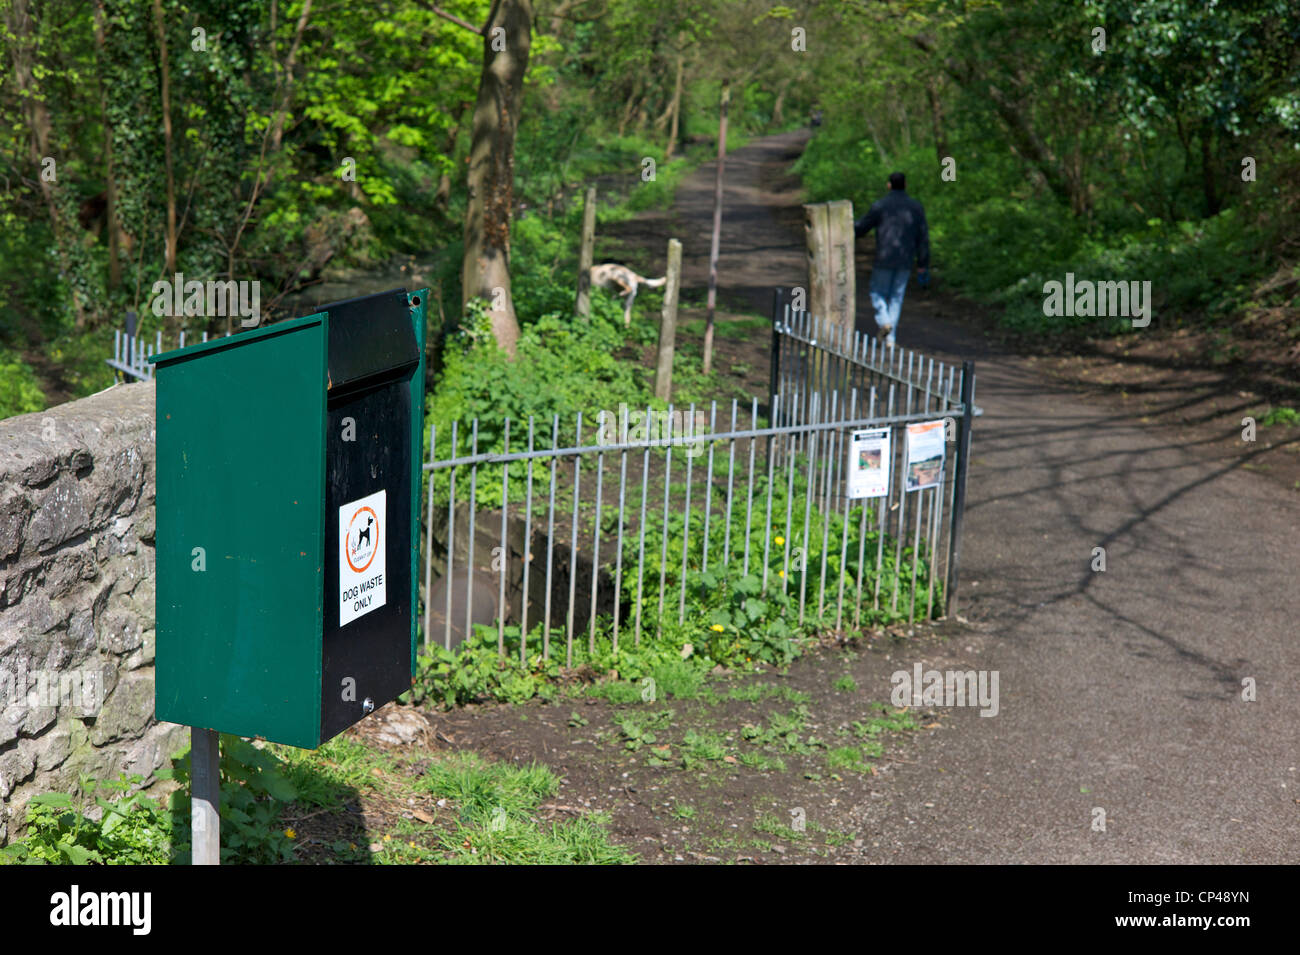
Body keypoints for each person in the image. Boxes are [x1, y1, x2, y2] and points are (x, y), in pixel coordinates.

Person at [854, 171, 930, 347]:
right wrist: (923, 263)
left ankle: (884, 321)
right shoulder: (916, 207)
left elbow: (861, 227)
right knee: (897, 297)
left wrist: (844, 230)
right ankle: (891, 337)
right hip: (906, 259)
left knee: (877, 292)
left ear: (889, 185)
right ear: (906, 185)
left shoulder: (880, 206)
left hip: (884, 257)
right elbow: (923, 237)